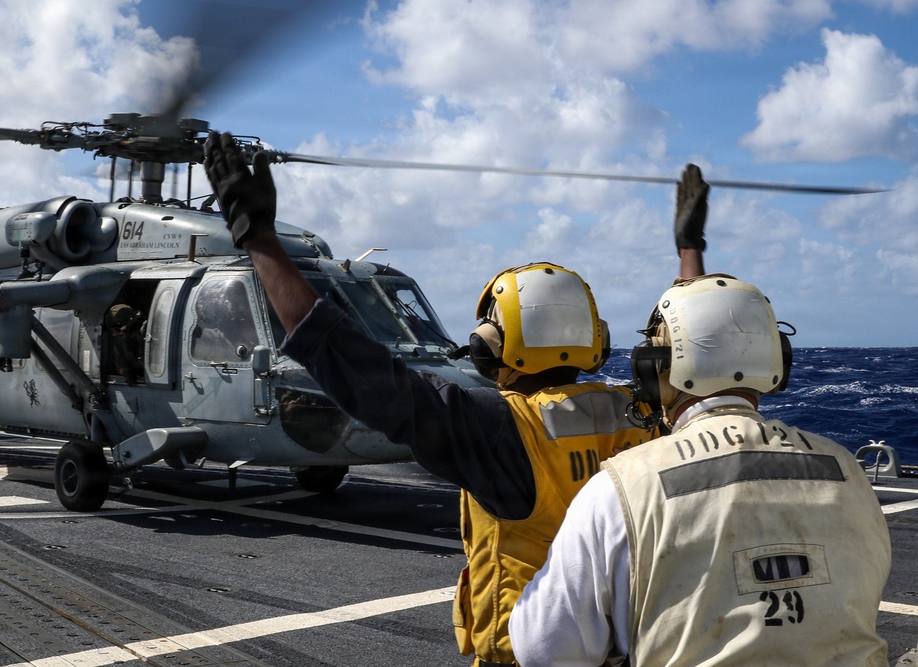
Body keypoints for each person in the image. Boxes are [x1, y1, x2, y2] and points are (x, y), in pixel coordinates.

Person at [203, 132, 703, 666]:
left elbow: (351, 361)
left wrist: (257, 240)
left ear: (493, 347)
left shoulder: (496, 427)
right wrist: (689, 251)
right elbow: (697, 346)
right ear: (593, 340)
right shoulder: (647, 415)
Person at [508, 273, 892, 665]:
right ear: (777, 359)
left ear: (656, 368)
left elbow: (542, 648)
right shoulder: (847, 469)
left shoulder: (621, 487)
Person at [105, 303, 145, 386]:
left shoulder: (149, 332)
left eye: (117, 330)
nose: (115, 334)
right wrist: (125, 370)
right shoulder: (121, 339)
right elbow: (119, 359)